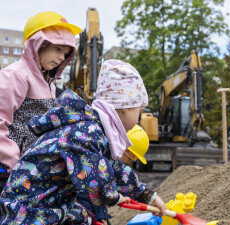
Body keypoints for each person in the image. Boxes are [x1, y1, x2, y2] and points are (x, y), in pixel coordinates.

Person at [0, 59, 166, 224]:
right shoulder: (86, 133)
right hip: (29, 211)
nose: (139, 119)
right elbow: (95, 183)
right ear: (126, 107)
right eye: (140, 110)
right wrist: (114, 197)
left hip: (48, 204)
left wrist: (146, 195)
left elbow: (113, 167)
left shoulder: (93, 130)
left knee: (83, 217)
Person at [0, 11, 81, 192]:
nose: (62, 57)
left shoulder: (49, 84)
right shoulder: (16, 76)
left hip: (31, 171)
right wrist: (13, 161)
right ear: (38, 44)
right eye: (58, 49)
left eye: (66, 53)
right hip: (8, 172)